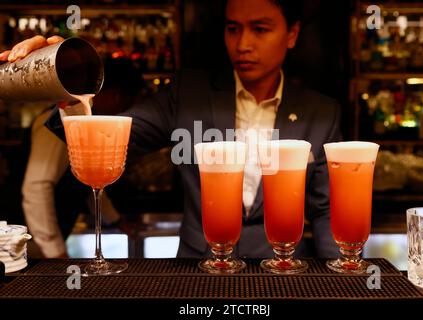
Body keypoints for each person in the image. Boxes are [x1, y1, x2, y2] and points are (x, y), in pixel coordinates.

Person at [1, 0, 341, 258]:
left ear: (292, 34)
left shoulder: (320, 112)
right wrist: (62, 77)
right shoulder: (189, 93)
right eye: (233, 28)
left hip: (280, 271)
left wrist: (341, 285)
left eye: (261, 29)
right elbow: (106, 140)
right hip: (198, 270)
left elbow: (326, 212)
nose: (243, 44)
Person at [20, 57, 144, 258]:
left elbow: (89, 179)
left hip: (51, 242)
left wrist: (116, 220)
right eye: (127, 104)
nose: (124, 111)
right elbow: (37, 188)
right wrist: (56, 251)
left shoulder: (89, 121)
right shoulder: (60, 123)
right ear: (114, 96)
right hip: (30, 247)